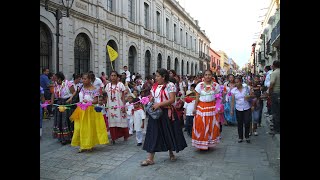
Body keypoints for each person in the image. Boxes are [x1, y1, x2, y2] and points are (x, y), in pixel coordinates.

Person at [141, 68, 187, 166]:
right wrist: (149, 99)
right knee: (153, 133)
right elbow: (153, 97)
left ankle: (171, 152)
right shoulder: (154, 86)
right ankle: (150, 158)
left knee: (168, 133)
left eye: (157, 76)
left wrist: (159, 104)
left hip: (167, 112)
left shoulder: (170, 85)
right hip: (156, 113)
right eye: (156, 76)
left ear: (163, 77)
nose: (155, 78)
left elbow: (171, 100)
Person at [70, 73, 109, 152]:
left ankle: (88, 145)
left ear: (90, 80)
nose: (83, 80)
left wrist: (88, 102)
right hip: (80, 110)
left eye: (85, 79)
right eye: (83, 79)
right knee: (78, 128)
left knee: (87, 128)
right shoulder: (81, 87)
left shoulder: (94, 89)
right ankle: (82, 144)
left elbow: (96, 101)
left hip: (89, 111)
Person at [192, 70, 221, 150]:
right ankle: (200, 144)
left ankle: (208, 144)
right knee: (201, 125)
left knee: (210, 126)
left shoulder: (216, 86)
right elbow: (197, 98)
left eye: (209, 75)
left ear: (212, 76)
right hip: (201, 108)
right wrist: (194, 108)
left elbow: (218, 99)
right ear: (203, 76)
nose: (207, 76)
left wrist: (218, 108)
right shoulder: (199, 85)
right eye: (206, 75)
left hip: (212, 108)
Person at [50, 72, 76, 145]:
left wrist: (71, 98)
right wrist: (52, 101)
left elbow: (74, 92)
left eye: (55, 78)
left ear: (59, 78)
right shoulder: (55, 85)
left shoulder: (68, 84)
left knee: (66, 120)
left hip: (67, 102)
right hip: (59, 103)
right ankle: (61, 137)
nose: (54, 79)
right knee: (59, 120)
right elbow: (53, 93)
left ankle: (68, 137)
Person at [105, 71, 129, 144]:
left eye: (114, 75)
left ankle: (125, 136)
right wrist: (106, 105)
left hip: (119, 106)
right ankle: (113, 138)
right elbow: (106, 96)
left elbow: (123, 96)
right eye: (112, 75)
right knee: (112, 122)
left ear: (117, 77)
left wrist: (123, 106)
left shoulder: (120, 85)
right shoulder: (108, 85)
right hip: (111, 106)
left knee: (121, 121)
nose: (113, 77)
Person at [230, 76, 253, 143]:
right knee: (239, 123)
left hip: (247, 107)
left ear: (241, 82)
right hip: (238, 108)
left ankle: (247, 136)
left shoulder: (246, 88)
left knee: (247, 122)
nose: (236, 84)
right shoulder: (234, 90)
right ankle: (240, 137)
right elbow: (232, 101)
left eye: (237, 82)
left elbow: (252, 95)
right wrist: (232, 110)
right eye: (235, 82)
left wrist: (249, 96)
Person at [268, 60, 280, 135]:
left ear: (274, 65)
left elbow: (272, 83)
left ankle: (276, 129)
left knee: (275, 112)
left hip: (276, 94)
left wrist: (269, 92)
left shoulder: (274, 73)